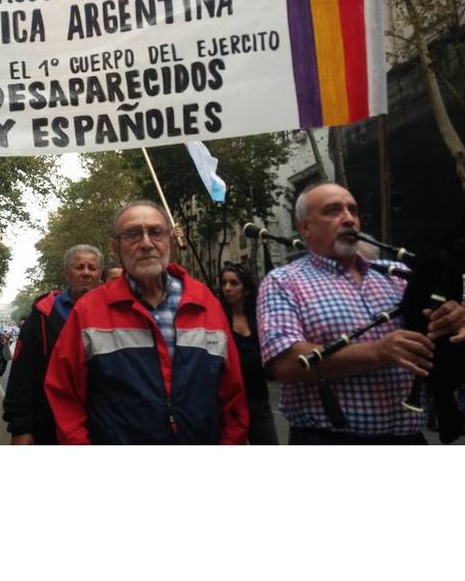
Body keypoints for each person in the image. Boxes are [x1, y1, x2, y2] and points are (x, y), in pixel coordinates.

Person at [257, 182, 465, 444]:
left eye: (353, 211)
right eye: (333, 210)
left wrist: (457, 316)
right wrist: (377, 352)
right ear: (304, 227)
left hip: (410, 440)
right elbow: (285, 364)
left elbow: (451, 308)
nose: (348, 218)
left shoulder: (398, 274)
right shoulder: (283, 281)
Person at [44, 200, 248, 444]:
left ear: (170, 240)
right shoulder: (88, 311)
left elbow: (233, 395)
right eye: (132, 234)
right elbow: (64, 395)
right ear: (115, 248)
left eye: (156, 232)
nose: (147, 243)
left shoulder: (206, 303)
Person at [3, 244, 103, 444]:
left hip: (101, 427)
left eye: (92, 268)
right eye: (79, 267)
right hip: (48, 428)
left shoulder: (114, 313)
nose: (86, 273)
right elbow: (22, 375)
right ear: (67, 272)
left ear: (100, 273)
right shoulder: (43, 315)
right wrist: (20, 428)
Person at [219, 262, 278, 444]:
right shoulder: (219, 318)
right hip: (230, 404)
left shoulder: (260, 318)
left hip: (258, 400)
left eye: (234, 283)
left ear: (246, 289)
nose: (227, 288)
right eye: (224, 283)